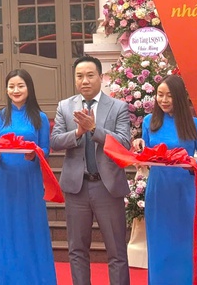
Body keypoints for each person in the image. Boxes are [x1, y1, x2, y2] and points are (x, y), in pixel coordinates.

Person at [50, 55, 131, 285]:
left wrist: (94, 129)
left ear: (101, 77)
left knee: (116, 251)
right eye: (79, 76)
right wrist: (77, 133)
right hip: (77, 188)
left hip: (107, 187)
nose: (84, 80)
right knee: (77, 250)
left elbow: (124, 143)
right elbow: (54, 141)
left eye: (90, 75)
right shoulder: (65, 106)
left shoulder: (118, 107)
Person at [132, 75, 197, 285]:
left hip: (184, 191)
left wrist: (195, 166)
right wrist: (139, 147)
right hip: (158, 191)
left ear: (179, 97)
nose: (164, 100)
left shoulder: (196, 125)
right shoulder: (150, 121)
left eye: (169, 96)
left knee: (185, 244)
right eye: (160, 94)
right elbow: (147, 154)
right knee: (160, 245)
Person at [0, 69, 56, 285]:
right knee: (8, 229)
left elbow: (45, 148)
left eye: (20, 86)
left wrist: (35, 154)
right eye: (11, 86)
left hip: (30, 178)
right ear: (6, 89)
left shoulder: (40, 117)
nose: (15, 90)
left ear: (29, 88)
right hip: (7, 179)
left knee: (31, 227)